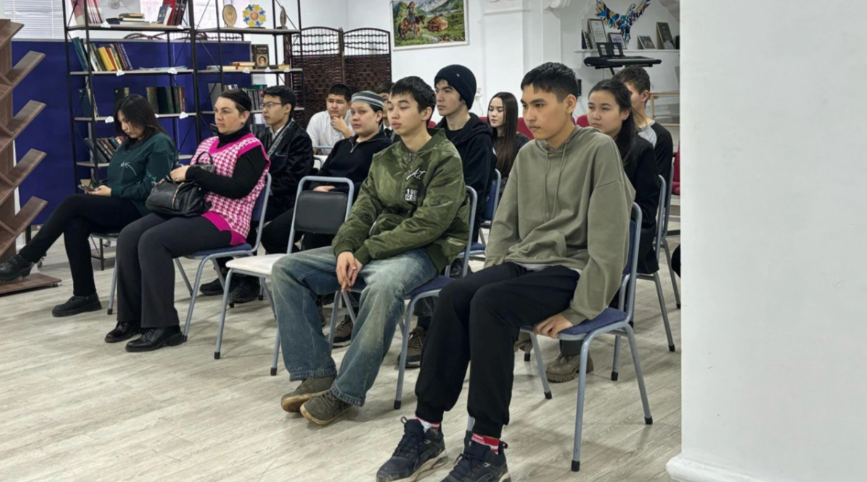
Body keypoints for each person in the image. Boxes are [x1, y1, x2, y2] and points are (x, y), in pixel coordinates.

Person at [375, 62, 634, 482]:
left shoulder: (598, 150)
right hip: (523, 263)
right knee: (456, 294)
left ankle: (487, 449)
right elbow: (505, 226)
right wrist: (490, 274)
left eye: (539, 104)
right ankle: (427, 427)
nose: (529, 115)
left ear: (569, 104)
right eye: (526, 104)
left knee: (490, 304)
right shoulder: (528, 154)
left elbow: (609, 238)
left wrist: (580, 309)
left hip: (571, 270)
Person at [272, 76, 469, 427]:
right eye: (390, 106)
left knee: (383, 286)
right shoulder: (385, 157)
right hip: (377, 247)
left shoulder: (445, 158)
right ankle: (316, 371)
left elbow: (429, 225)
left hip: (426, 251)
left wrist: (364, 252)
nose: (394, 114)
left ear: (426, 112)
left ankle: (346, 391)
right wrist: (346, 248)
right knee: (287, 270)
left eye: (403, 107)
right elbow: (362, 210)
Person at [108, 90, 269, 351]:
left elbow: (239, 189)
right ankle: (132, 318)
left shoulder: (252, 148)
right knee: (129, 236)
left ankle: (164, 326)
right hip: (191, 210)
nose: (219, 116)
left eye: (226, 111)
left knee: (153, 241)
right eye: (216, 110)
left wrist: (194, 172)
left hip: (226, 220)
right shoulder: (207, 143)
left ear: (244, 116)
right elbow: (189, 181)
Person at [0, 95, 176, 317]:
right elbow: (121, 179)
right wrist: (102, 187)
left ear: (143, 117)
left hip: (143, 210)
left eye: (128, 121)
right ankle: (85, 295)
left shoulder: (159, 143)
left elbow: (152, 188)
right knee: (75, 223)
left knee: (72, 203)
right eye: (121, 122)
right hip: (121, 204)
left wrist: (112, 192)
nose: (124, 127)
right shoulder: (128, 143)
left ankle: (25, 259)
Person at [546, 79, 660, 383]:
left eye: (605, 109)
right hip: (577, 232)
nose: (595, 116)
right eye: (592, 107)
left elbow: (645, 213)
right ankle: (527, 321)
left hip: (617, 239)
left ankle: (571, 353)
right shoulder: (576, 145)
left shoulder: (640, 151)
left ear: (624, 113)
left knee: (576, 268)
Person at [261, 91, 393, 343]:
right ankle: (314, 292)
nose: (355, 117)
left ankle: (339, 305)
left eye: (362, 112)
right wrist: (317, 186)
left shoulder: (385, 148)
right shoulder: (343, 145)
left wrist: (338, 189)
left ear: (378, 115)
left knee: (318, 240)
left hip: (354, 209)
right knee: (273, 233)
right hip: (322, 204)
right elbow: (321, 173)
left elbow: (374, 185)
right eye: (353, 112)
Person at [404, 64, 493, 368]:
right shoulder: (433, 136)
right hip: (429, 213)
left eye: (447, 90)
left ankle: (427, 326)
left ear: (464, 97)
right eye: (437, 89)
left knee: (426, 248)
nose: (439, 96)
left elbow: (474, 189)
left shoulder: (479, 138)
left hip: (460, 218)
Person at [199, 85, 314, 304]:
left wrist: (258, 190)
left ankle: (249, 280)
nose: (265, 110)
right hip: (258, 194)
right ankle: (226, 271)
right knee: (215, 212)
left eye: (271, 105)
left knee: (247, 216)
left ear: (287, 108)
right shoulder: (260, 135)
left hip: (283, 198)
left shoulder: (299, 138)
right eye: (263, 105)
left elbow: (294, 179)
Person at [613, 66, 674, 180]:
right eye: (617, 94)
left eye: (627, 94)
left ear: (644, 96)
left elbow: (657, 185)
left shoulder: (660, 136)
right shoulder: (611, 129)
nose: (620, 99)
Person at [487, 91, 530, 194]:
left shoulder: (521, 142)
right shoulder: (485, 138)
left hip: (504, 195)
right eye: (491, 109)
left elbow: (520, 179)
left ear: (510, 113)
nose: (493, 114)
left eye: (499, 110)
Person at [306, 84, 354, 155]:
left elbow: (360, 152)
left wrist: (345, 130)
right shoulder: (317, 119)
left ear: (349, 105)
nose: (334, 106)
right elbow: (310, 150)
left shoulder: (356, 119)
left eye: (339, 102)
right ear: (326, 101)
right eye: (331, 101)